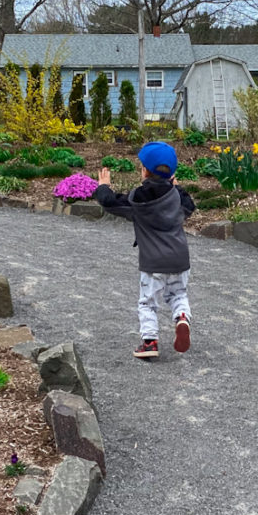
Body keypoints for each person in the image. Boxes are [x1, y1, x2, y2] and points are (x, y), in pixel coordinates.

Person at [93, 141, 196, 360]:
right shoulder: (177, 198)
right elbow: (190, 206)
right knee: (178, 293)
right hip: (179, 259)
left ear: (144, 171)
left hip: (153, 263)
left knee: (148, 302)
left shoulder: (138, 199)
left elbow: (111, 203)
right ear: (172, 173)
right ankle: (182, 317)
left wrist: (103, 186)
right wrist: (176, 187)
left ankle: (150, 343)